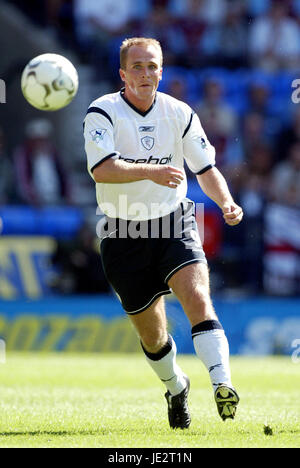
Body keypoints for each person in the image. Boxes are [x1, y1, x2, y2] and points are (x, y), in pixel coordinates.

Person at [83, 37, 243, 429]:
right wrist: (151, 170)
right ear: (122, 74)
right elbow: (101, 169)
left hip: (173, 223)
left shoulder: (180, 113)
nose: (145, 74)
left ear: (162, 71)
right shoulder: (102, 111)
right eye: (137, 66)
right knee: (154, 336)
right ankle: (176, 387)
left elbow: (205, 169)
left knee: (197, 297)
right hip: (121, 233)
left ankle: (223, 383)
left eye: (152, 66)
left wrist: (226, 202)